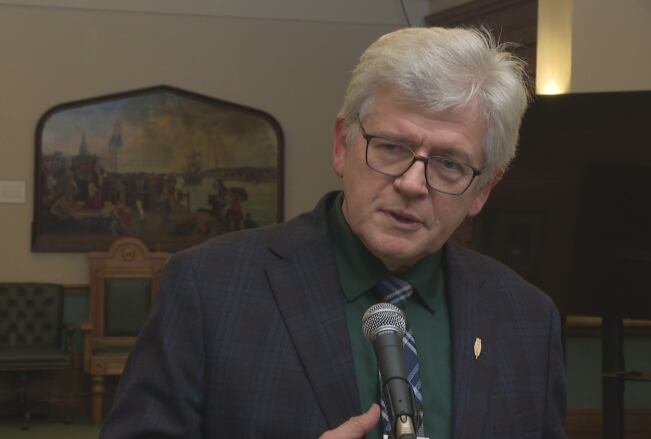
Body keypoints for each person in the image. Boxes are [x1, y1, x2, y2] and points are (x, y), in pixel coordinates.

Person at [100, 27, 567, 438]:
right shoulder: (209, 288)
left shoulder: (526, 318)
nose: (410, 183)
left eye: (448, 164)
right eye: (390, 147)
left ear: (483, 189)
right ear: (342, 145)